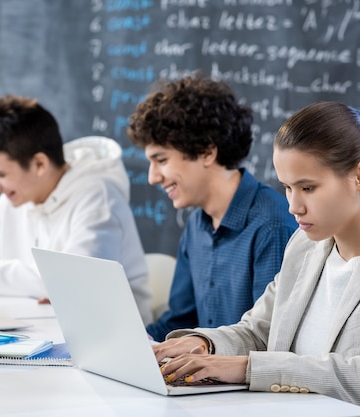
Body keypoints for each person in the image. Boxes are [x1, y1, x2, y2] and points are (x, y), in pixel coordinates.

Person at [153, 101, 360, 417]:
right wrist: (203, 345)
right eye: (287, 188)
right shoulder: (304, 246)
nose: (293, 206)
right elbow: (258, 331)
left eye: (308, 188)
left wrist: (249, 368)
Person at [0, 94, 152, 325]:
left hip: (111, 342)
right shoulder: (18, 196)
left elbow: (65, 282)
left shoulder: (98, 196)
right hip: (41, 328)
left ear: (39, 164)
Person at [127, 73, 297, 341]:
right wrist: (129, 343)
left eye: (161, 160)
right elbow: (180, 322)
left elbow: (268, 340)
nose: (152, 177)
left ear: (207, 152)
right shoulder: (197, 224)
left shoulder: (272, 225)